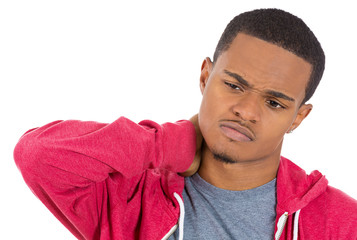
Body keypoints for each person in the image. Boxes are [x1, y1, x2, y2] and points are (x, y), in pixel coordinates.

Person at [14, 8, 357, 240]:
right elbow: (37, 154)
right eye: (234, 85)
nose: (246, 110)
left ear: (298, 116)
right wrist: (168, 144)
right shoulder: (131, 200)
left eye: (273, 102)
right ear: (206, 76)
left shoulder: (339, 222)